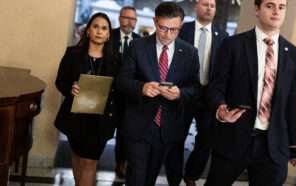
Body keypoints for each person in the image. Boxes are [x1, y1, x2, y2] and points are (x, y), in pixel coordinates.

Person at [205, 0, 296, 185]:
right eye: (269, 5)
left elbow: (292, 102)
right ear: (257, 9)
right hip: (234, 138)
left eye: (281, 7)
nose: (276, 11)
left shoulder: (294, 54)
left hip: (273, 145)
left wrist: (293, 144)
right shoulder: (232, 45)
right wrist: (220, 109)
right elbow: (216, 87)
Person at [116, 2, 200, 186]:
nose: (168, 34)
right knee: (136, 178)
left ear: (181, 26)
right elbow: (121, 81)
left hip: (167, 128)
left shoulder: (189, 53)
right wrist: (142, 88)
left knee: (149, 178)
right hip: (139, 125)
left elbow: (195, 88)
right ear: (155, 21)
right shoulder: (137, 47)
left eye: (174, 30)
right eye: (163, 28)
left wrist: (180, 93)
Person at [165, 0, 228, 185]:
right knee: (176, 139)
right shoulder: (181, 30)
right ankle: (174, 179)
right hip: (182, 92)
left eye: (212, 5)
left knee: (207, 140)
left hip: (208, 96)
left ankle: (191, 175)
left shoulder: (223, 36)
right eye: (205, 4)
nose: (209, 8)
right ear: (196, 7)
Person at [54, 12, 120, 186]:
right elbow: (60, 81)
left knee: (89, 162)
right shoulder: (73, 53)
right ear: (88, 31)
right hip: (76, 117)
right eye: (95, 27)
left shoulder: (116, 60)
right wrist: (70, 87)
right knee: (77, 157)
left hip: (101, 120)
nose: (99, 31)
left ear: (108, 35)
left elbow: (120, 89)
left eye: (104, 28)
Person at [111, 5, 141, 180]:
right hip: (110, 93)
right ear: (120, 18)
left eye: (133, 19)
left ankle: (121, 162)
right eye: (126, 18)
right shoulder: (110, 36)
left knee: (124, 131)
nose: (130, 21)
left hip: (129, 95)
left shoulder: (140, 42)